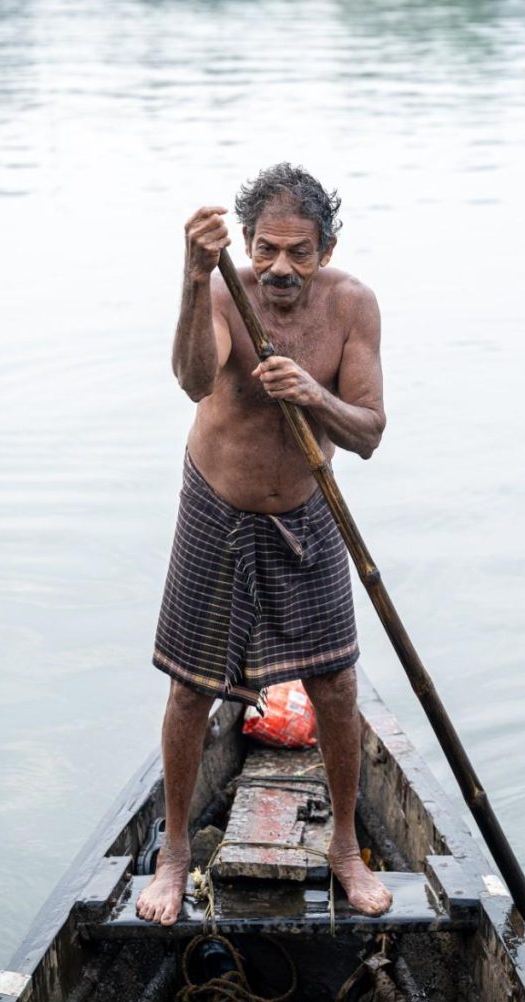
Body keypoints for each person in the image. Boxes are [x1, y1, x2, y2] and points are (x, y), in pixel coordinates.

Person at [136, 163, 391, 926]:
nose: (279, 268)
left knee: (337, 685)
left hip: (307, 511)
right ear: (245, 244)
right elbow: (189, 380)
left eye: (298, 252)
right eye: (265, 250)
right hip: (216, 508)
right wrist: (191, 278)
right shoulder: (222, 291)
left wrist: (311, 394)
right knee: (189, 689)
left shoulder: (352, 306)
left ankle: (344, 847)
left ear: (326, 246)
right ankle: (175, 853)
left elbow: (371, 432)